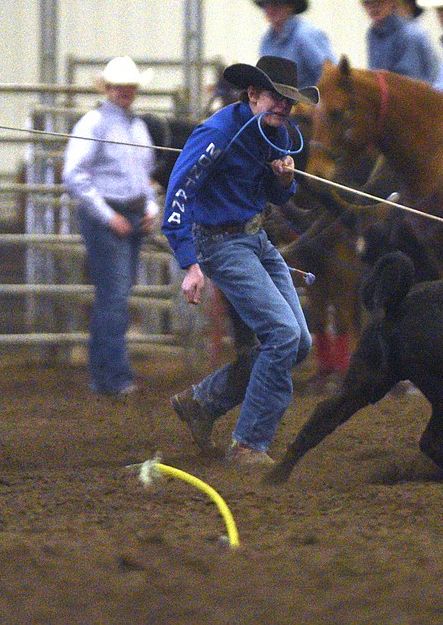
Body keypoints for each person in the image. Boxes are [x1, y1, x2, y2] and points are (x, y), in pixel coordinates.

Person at [163, 55, 315, 466]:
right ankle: (248, 443)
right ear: (252, 93)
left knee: (298, 342)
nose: (284, 107)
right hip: (220, 243)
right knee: (283, 335)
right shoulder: (215, 133)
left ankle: (202, 402)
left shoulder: (277, 132)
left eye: (289, 101)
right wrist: (189, 263)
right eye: (277, 98)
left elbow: (277, 194)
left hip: (255, 238)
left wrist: (284, 181)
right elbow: (179, 193)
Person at [62, 56, 159, 397]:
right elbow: (74, 175)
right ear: (106, 88)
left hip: (127, 214)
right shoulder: (93, 123)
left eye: (129, 86)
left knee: (115, 296)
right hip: (109, 216)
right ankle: (114, 376)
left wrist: (149, 206)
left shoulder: (136, 126)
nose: (124, 91)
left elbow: (145, 176)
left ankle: (106, 374)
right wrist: (108, 215)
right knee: (115, 296)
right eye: (118, 86)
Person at [352, 0, 440, 84]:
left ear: (393, 2)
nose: (374, 6)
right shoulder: (373, 33)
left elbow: (408, 86)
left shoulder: (410, 35)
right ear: (363, 5)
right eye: (368, 1)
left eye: (380, 0)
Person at [253, 0, 337, 88]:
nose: (270, 10)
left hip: (309, 102)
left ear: (289, 8)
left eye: (277, 5)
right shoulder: (267, 41)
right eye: (267, 5)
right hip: (281, 103)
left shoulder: (306, 35)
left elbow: (330, 76)